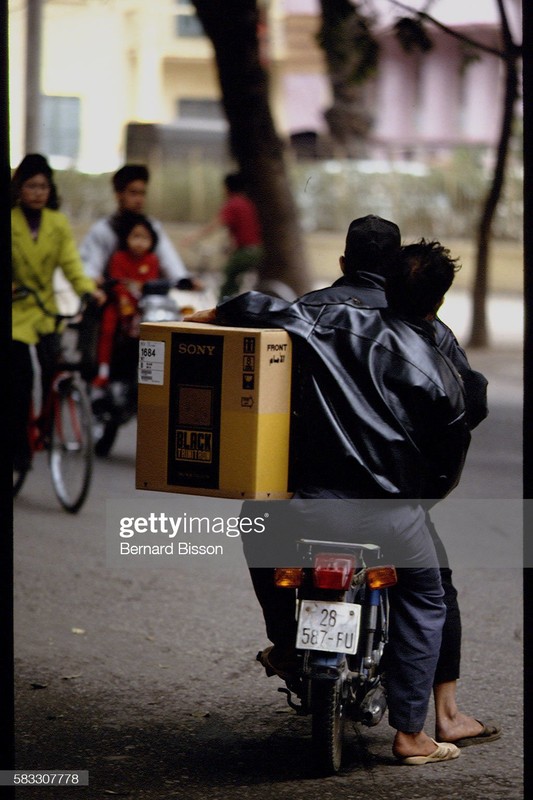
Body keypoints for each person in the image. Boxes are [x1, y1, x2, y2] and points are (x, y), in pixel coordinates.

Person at [186, 218, 500, 761]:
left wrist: (192, 318)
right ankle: (417, 729)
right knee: (429, 595)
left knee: (256, 525)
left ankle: (287, 644)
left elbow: (250, 308)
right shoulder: (435, 350)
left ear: (344, 262)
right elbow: (460, 429)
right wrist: (421, 499)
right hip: (392, 513)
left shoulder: (312, 313)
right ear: (432, 297)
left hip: (304, 503)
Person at [11, 153, 105, 473]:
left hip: (45, 310)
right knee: (21, 377)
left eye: (44, 186)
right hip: (16, 311)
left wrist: (88, 291)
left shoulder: (58, 223)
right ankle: (19, 443)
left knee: (56, 368)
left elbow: (71, 265)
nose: (38, 192)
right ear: (19, 188)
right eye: (31, 186)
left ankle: (48, 429)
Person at [79, 163, 195, 287]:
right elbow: (90, 269)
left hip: (148, 300)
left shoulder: (152, 228)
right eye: (133, 193)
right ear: (118, 195)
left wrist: (186, 281)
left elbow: (171, 264)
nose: (139, 200)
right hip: (112, 299)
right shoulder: (103, 230)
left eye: (142, 193)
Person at [92, 212, 161, 388]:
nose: (140, 242)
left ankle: (150, 372)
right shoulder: (119, 257)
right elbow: (117, 284)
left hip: (142, 306)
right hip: (119, 303)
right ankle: (103, 370)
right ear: (126, 238)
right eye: (135, 236)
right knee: (108, 326)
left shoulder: (152, 260)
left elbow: (150, 285)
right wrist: (124, 300)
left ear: (152, 241)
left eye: (144, 238)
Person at [182, 172, 263, 300]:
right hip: (256, 250)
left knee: (228, 277)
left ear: (226, 187)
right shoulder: (247, 202)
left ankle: (224, 308)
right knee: (236, 279)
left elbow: (215, 225)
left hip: (246, 252)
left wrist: (192, 237)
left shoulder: (233, 204)